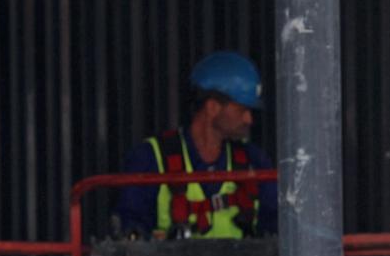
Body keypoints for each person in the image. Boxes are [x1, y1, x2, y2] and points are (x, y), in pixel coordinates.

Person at [115, 50, 279, 239]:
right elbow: (131, 228)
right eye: (242, 110)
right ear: (213, 107)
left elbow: (275, 226)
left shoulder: (255, 161)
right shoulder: (150, 158)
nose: (249, 119)